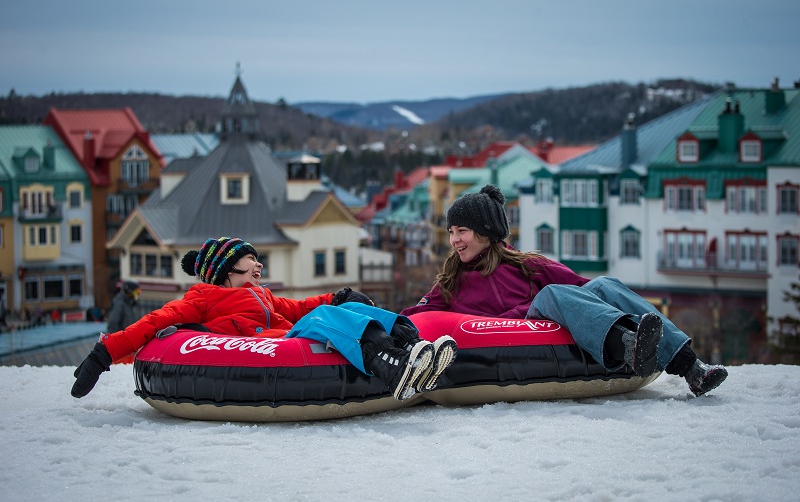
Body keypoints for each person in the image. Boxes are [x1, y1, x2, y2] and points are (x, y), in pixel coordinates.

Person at [401, 185, 727, 397]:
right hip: (508, 332)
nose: (455, 240)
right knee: (550, 295)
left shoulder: (528, 265)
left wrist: (608, 299)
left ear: (486, 232)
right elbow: (416, 316)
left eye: (462, 231)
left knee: (603, 283)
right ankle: (627, 344)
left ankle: (690, 367)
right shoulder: (450, 282)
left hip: (555, 321)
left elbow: (587, 289)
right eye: (452, 232)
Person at [72, 237, 457, 401]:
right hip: (269, 351)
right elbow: (154, 322)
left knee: (345, 309)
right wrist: (104, 353)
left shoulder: (264, 295)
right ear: (225, 268)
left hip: (290, 338)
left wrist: (339, 296)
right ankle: (388, 365)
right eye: (249, 260)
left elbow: (297, 307)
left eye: (257, 259)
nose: (258, 265)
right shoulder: (204, 297)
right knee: (326, 317)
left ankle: (410, 347)